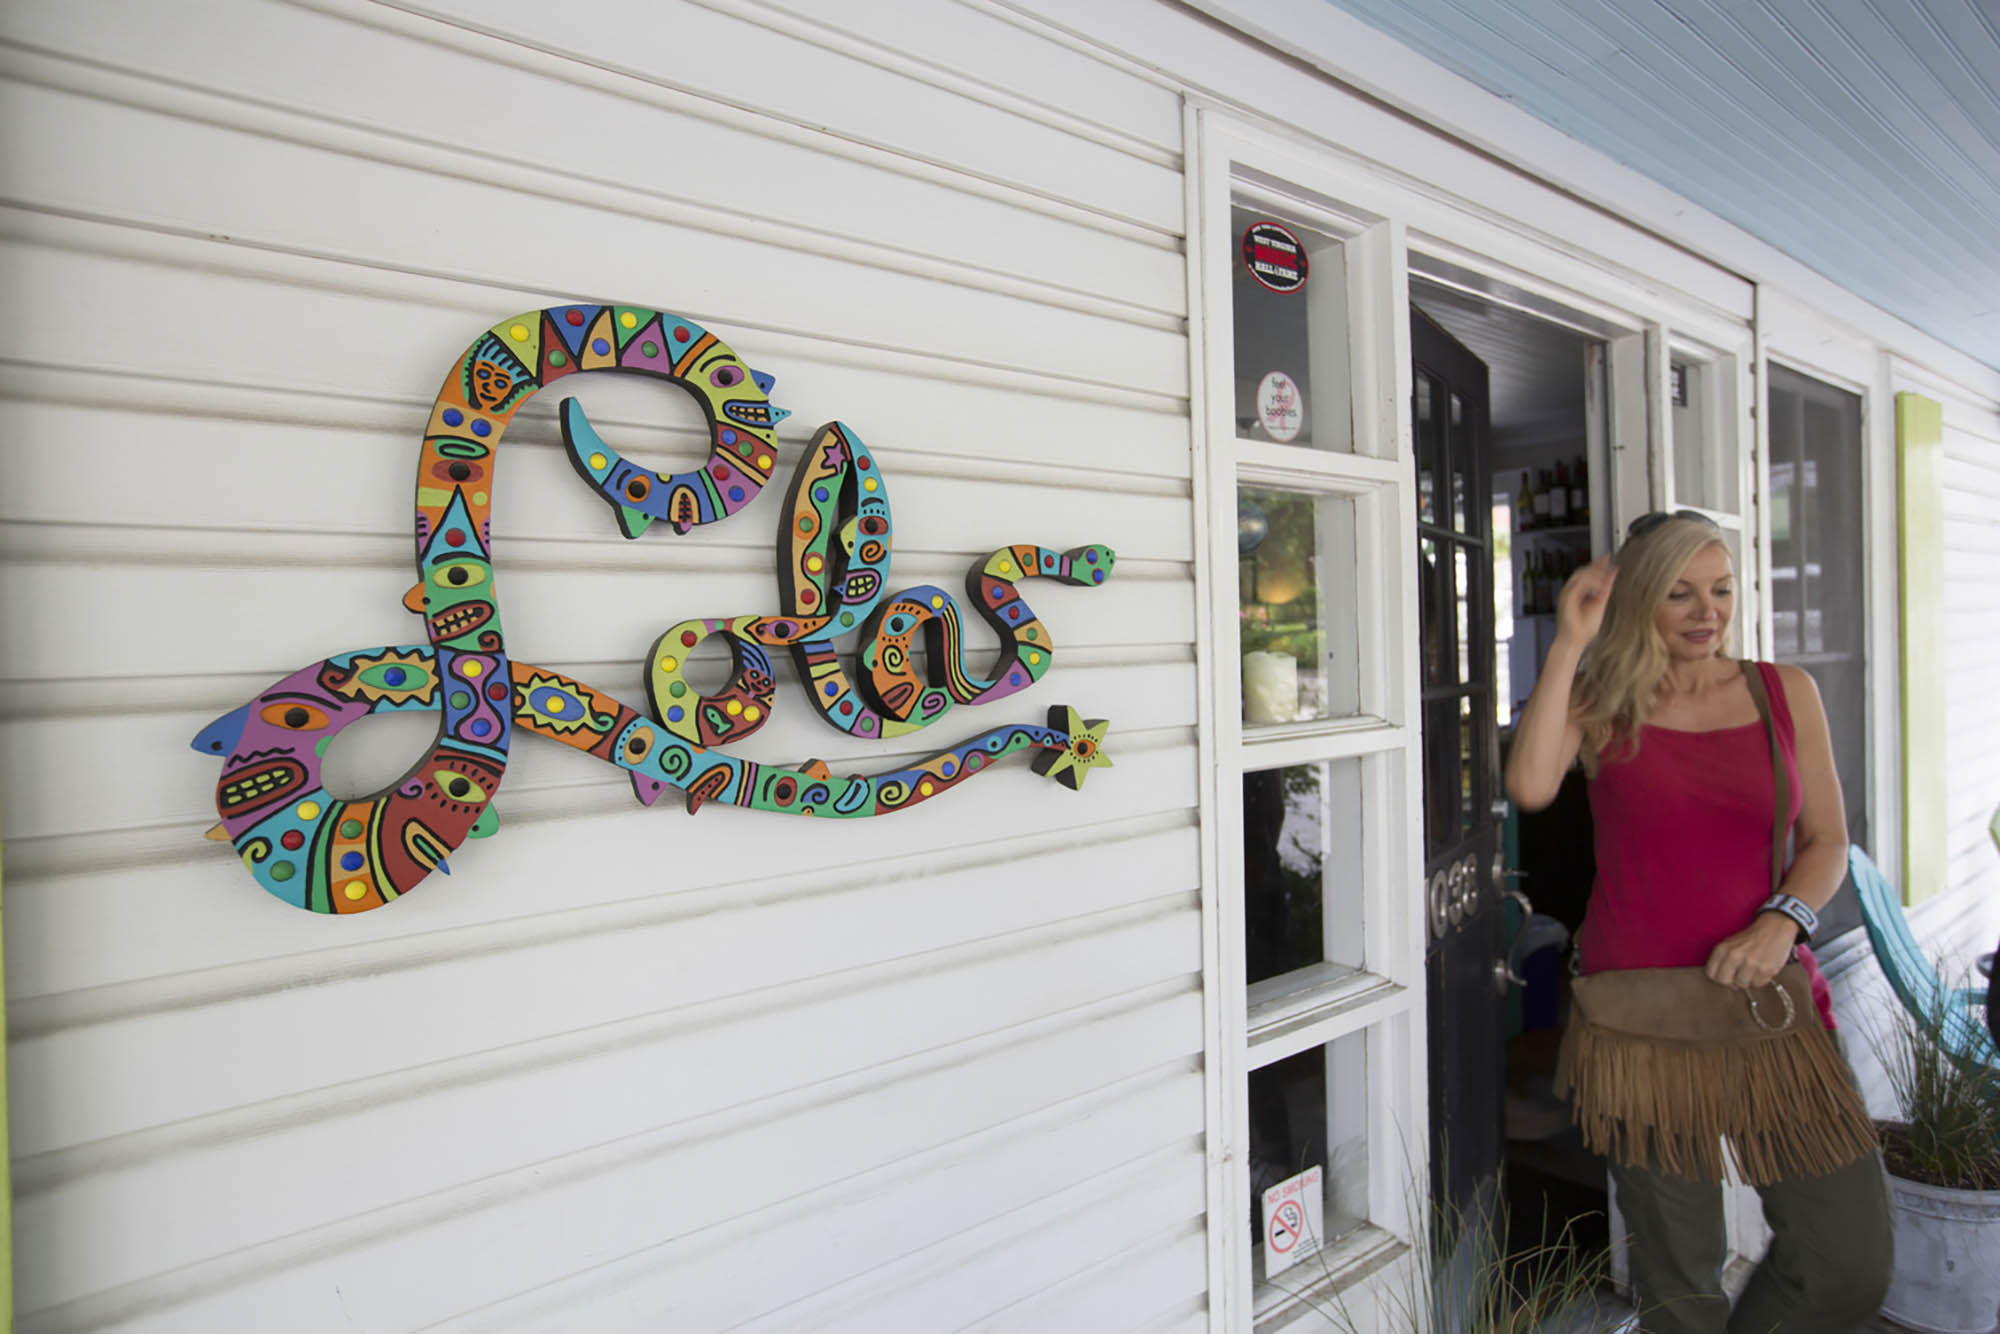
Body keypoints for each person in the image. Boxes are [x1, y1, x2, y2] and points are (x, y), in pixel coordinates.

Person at [1503, 512, 1891, 1334]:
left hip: (1769, 1012)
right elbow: (1532, 784)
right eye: (1678, 592)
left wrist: (1782, 921)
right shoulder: (1605, 698)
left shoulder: (1784, 691)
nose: (1705, 610)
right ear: (1639, 597)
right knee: (1681, 1293)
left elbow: (1827, 841)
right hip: (1640, 1022)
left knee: (1847, 1262)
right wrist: (1571, 640)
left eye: (1719, 589)